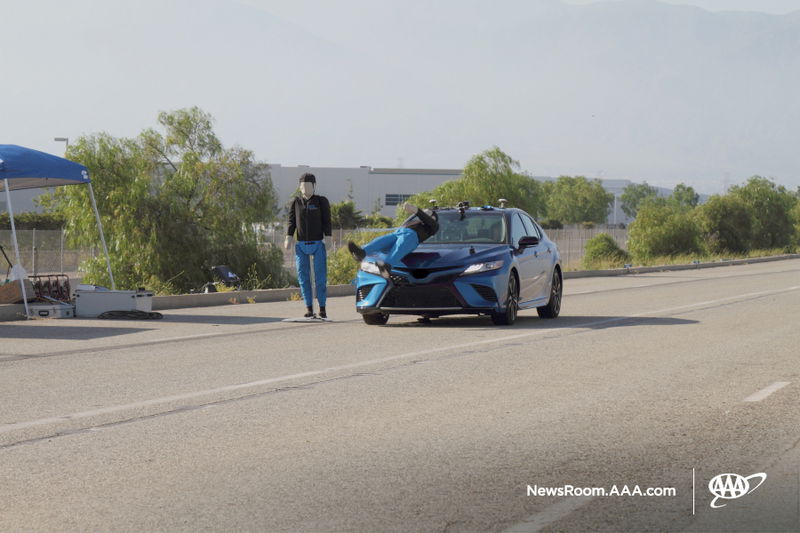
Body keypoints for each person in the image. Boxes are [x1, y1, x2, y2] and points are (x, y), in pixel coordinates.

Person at [285, 173, 331, 318]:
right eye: (303, 185)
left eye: (309, 185)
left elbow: (327, 220)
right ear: (299, 186)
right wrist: (288, 237)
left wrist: (328, 237)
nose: (306, 188)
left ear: (314, 186)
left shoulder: (321, 201)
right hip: (301, 245)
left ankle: (322, 308)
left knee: (320, 277)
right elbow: (291, 222)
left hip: (318, 243)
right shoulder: (295, 203)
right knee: (303, 277)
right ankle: (309, 308)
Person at [347, 202, 438, 272]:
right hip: (398, 232)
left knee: (399, 248)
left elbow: (428, 220)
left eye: (427, 213)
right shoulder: (416, 221)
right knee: (380, 241)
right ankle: (362, 252)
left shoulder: (433, 226)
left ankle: (387, 266)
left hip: (412, 236)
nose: (424, 214)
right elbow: (412, 222)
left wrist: (417, 210)